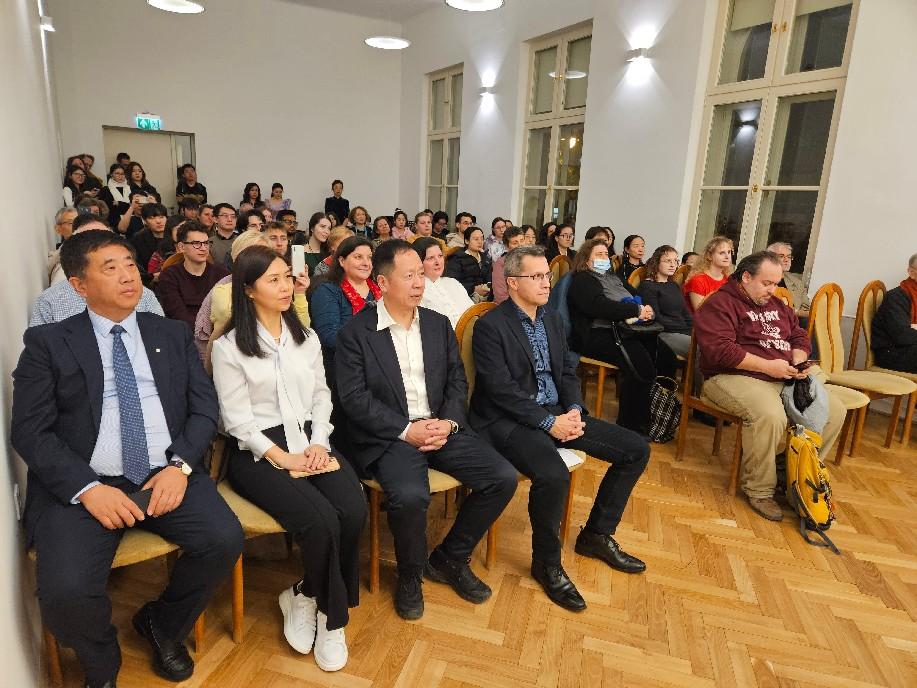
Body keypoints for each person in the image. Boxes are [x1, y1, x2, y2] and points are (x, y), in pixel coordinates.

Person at [12, 230, 243, 687]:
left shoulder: (169, 333)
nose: (127, 276)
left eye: (130, 264)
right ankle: (102, 664)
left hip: (164, 471)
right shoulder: (48, 342)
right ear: (79, 285)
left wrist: (180, 467)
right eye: (110, 267)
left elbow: (204, 408)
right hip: (87, 481)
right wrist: (86, 488)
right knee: (65, 594)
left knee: (223, 540)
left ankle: (161, 624)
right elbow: (31, 431)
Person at [335, 240, 517, 620]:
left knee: (501, 477)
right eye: (409, 276)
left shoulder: (437, 324)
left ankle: (450, 557)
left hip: (439, 425)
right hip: (390, 435)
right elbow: (354, 399)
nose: (419, 282)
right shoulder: (357, 333)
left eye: (421, 273)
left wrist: (448, 422)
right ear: (383, 283)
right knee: (410, 495)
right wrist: (406, 430)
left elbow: (456, 380)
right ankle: (410, 575)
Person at [469, 245, 649, 613]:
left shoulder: (551, 318)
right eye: (536, 276)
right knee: (553, 475)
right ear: (513, 283)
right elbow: (500, 390)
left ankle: (596, 535)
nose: (546, 283)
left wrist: (573, 410)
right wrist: (549, 423)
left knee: (636, 450)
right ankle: (547, 564)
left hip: (557, 412)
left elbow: (567, 371)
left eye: (547, 276)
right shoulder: (491, 325)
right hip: (508, 420)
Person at [211, 246, 364, 671]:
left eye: (287, 277)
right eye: (273, 280)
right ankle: (333, 620)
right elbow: (237, 421)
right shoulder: (229, 347)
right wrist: (284, 457)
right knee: (321, 520)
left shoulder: (306, 337)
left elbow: (321, 396)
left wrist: (318, 443)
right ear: (248, 289)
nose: (286, 286)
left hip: (310, 438)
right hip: (258, 450)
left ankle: (305, 593)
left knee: (353, 509)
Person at [695, 251, 847, 520]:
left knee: (835, 411)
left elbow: (799, 335)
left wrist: (798, 358)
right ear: (745, 277)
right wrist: (768, 366)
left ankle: (792, 473)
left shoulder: (776, 305)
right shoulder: (719, 304)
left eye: (776, 283)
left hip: (781, 376)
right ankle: (759, 489)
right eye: (766, 283)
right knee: (769, 415)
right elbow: (720, 351)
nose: (772, 290)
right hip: (730, 377)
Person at [568, 238, 675, 433]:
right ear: (586, 259)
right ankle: (631, 424)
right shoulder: (583, 279)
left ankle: (656, 414)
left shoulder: (613, 277)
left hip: (626, 329)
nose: (604, 258)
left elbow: (635, 296)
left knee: (665, 356)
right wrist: (635, 310)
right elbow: (598, 306)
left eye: (606, 254)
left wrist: (646, 309)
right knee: (641, 367)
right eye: (598, 254)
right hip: (598, 333)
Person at [32, 219, 165, 326]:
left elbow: (162, 338)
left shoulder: (143, 295)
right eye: (91, 242)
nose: (127, 277)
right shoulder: (50, 301)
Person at [310, 237, 379, 373]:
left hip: (380, 364)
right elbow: (329, 337)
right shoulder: (328, 291)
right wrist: (375, 343)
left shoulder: (379, 288)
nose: (366, 263)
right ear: (342, 261)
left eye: (369, 257)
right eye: (358, 257)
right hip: (345, 368)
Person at [157, 221, 230, 328]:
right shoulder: (170, 276)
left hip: (219, 331)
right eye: (196, 243)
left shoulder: (222, 274)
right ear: (181, 247)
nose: (203, 248)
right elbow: (177, 314)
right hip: (184, 332)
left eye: (206, 243)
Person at [637, 245, 692, 358]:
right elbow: (656, 317)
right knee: (703, 349)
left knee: (713, 343)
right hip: (663, 333)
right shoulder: (647, 286)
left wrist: (694, 329)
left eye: (675, 261)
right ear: (656, 262)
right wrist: (685, 330)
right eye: (668, 261)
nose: (673, 265)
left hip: (682, 330)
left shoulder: (673, 285)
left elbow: (685, 312)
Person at [414, 237, 473, 329]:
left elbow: (473, 313)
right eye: (430, 258)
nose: (438, 262)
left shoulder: (453, 283)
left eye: (440, 256)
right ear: (419, 262)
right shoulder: (416, 291)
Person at [872, 252, 917, 373]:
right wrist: (911, 328)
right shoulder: (895, 297)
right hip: (893, 353)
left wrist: (913, 327)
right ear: (911, 272)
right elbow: (903, 336)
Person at [683, 235, 733, 313]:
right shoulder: (698, 280)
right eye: (722, 253)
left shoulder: (729, 280)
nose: (727, 257)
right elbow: (701, 313)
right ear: (709, 256)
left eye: (729, 252)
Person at [445, 225, 491, 299]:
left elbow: (490, 278)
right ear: (467, 241)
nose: (480, 242)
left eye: (482, 238)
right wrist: (473, 289)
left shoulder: (485, 258)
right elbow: (451, 282)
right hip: (464, 296)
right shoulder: (457, 258)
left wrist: (488, 286)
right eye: (476, 239)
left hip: (486, 296)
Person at [130, 202, 169, 281]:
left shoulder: (174, 235)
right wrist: (150, 277)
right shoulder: (138, 239)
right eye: (152, 218)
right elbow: (136, 264)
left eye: (161, 217)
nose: (158, 221)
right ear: (145, 221)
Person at [491, 227, 525, 305]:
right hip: (509, 306)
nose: (520, 246)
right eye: (515, 243)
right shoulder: (501, 264)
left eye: (522, 240)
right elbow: (500, 296)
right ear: (507, 246)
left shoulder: (531, 260)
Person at [767, 241, 806, 308]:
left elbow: (806, 308)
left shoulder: (797, 283)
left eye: (789, 256)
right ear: (770, 258)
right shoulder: (761, 280)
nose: (786, 260)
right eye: (781, 256)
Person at [48, 207, 78, 285]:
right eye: (70, 223)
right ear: (58, 229)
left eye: (79, 222)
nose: (77, 226)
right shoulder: (62, 264)